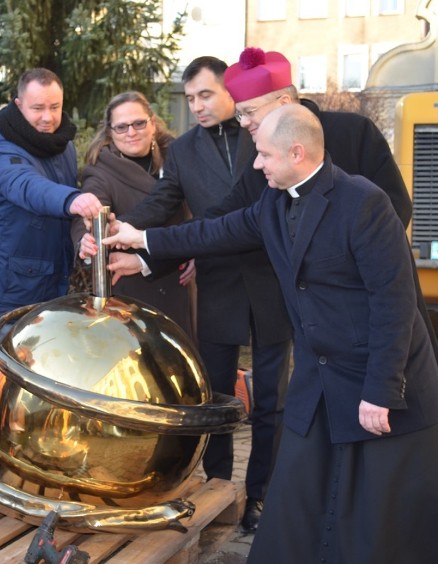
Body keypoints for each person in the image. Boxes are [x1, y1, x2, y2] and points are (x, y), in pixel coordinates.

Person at [96, 103, 438, 563]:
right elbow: (216, 232)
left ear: (296, 152)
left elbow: (396, 304)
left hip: (379, 382)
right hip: (319, 379)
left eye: (264, 154)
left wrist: (382, 390)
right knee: (301, 496)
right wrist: (142, 239)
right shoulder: (273, 201)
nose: (255, 163)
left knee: (398, 506)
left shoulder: (364, 203)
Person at [112, 57, 292, 533]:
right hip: (217, 285)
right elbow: (164, 201)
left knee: (272, 400)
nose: (196, 107)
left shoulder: (265, 136)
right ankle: (218, 490)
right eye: (190, 98)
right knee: (213, 397)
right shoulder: (185, 150)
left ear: (231, 92)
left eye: (206, 95)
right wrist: (124, 228)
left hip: (275, 284)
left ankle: (261, 497)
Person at [214, 47, 438, 376]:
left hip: (374, 298)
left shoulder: (355, 131)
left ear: (282, 104)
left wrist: (341, 260)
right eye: (240, 115)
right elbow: (222, 219)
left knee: (394, 399)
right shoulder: (261, 156)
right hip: (322, 319)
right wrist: (144, 244)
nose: (244, 122)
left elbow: (397, 205)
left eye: (249, 111)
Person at [0, 68, 103, 328]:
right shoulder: (2, 154)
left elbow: (68, 217)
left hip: (51, 284)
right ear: (19, 105)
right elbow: (28, 186)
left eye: (55, 107)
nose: (48, 117)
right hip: (9, 292)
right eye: (38, 108)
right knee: (10, 369)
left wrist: (81, 239)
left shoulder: (63, 146)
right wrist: (71, 200)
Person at [69, 91, 194, 337]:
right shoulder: (101, 171)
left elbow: (202, 209)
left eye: (139, 123)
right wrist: (86, 239)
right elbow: (91, 212)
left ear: (152, 122)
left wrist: (197, 251)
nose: (131, 132)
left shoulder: (177, 157)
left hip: (179, 276)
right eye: (121, 127)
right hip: (134, 285)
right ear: (109, 132)